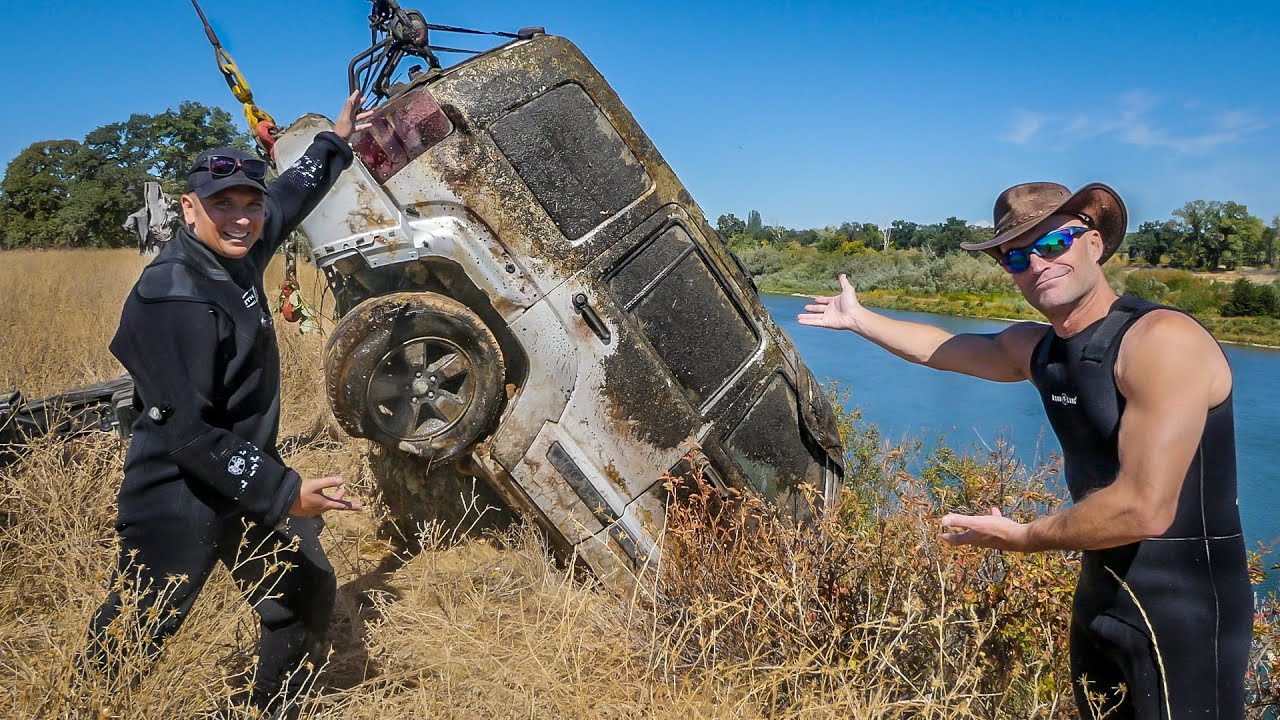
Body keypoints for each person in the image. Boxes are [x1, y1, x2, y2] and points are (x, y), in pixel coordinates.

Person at [798, 182, 1250, 719]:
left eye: (1054, 243)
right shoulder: (1041, 349)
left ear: (1095, 244)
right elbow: (945, 351)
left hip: (1187, 615)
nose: (1037, 263)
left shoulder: (1161, 341)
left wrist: (1024, 537)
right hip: (1102, 600)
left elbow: (1145, 507)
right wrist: (860, 319)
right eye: (1016, 255)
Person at [87, 93, 372, 717]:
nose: (243, 218)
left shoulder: (233, 255)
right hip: (178, 491)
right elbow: (189, 435)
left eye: (250, 203)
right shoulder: (176, 297)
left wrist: (336, 141)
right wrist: (282, 492)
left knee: (302, 588)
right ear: (190, 210)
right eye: (223, 205)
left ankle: (274, 707)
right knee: (136, 630)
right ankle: (83, 704)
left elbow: (289, 200)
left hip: (238, 474)